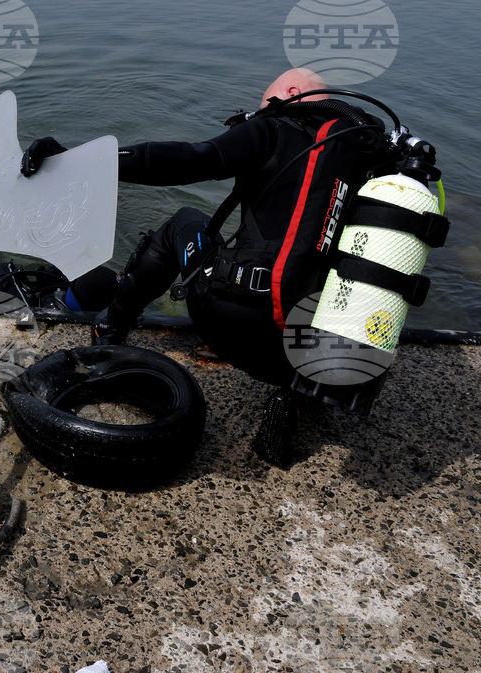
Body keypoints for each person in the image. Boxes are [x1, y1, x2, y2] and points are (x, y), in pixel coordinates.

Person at [20, 68, 394, 465]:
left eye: (264, 101)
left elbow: (188, 160)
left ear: (291, 92)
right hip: (314, 358)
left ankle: (110, 325)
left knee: (183, 220)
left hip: (231, 322)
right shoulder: (374, 164)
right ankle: (296, 397)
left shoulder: (275, 129)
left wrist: (79, 162)